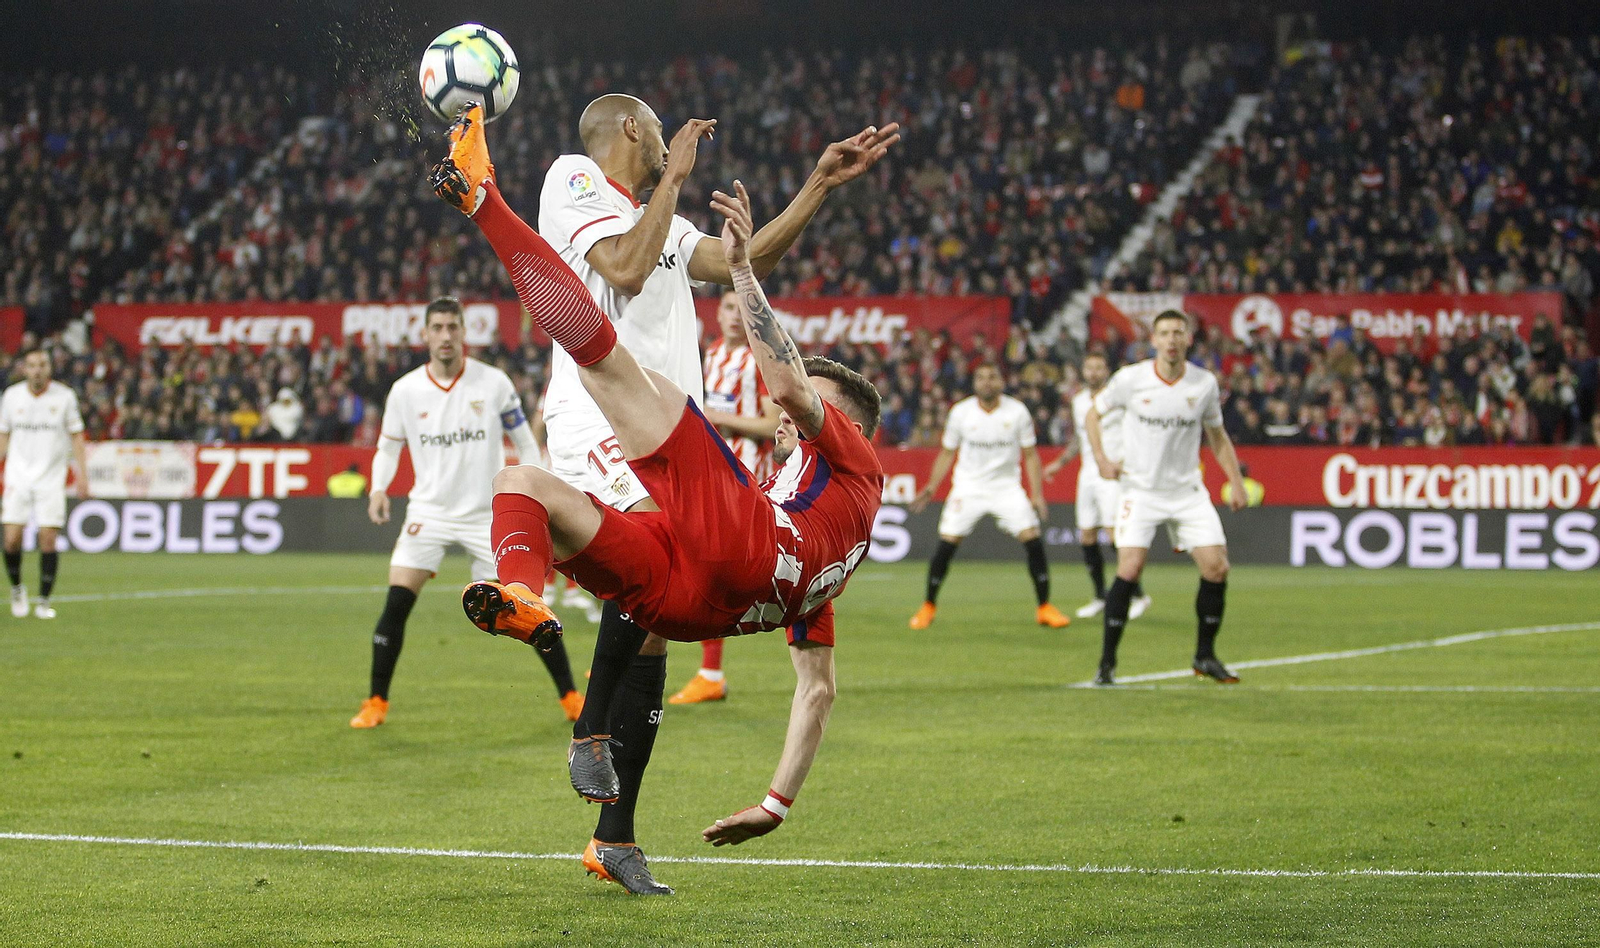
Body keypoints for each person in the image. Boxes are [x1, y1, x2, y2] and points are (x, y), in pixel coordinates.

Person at [430, 105, 885, 894]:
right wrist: (775, 185)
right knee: (595, 387)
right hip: (621, 438)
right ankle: (588, 736)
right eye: (660, 130)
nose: (791, 412)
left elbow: (745, 261)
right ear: (633, 132)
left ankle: (602, 784)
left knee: (626, 606)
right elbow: (625, 270)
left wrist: (799, 192)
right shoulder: (573, 182)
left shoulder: (662, 217)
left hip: (714, 519)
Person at [348, 297, 582, 729]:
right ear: (425, 335)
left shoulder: (492, 383)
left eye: (452, 327)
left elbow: (524, 438)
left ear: (463, 333)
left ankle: (571, 696)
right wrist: (379, 488)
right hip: (429, 511)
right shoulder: (405, 390)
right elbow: (388, 446)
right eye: (436, 328)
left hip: (485, 515)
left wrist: (539, 485)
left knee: (529, 605)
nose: (445, 336)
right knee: (396, 602)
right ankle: (376, 702)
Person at [1084, 310, 1248, 686]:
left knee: (1216, 567)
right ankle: (1106, 664)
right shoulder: (1131, 380)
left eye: (1178, 332)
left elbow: (1217, 436)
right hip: (1140, 490)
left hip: (1186, 491)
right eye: (1164, 333)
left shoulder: (1203, 384)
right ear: (1153, 340)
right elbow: (1093, 416)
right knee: (1129, 568)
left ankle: (1204, 656)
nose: (1171, 339)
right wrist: (1102, 459)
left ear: (1188, 339)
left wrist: (1235, 482)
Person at [670, 290, 785, 706]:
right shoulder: (712, 354)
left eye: (743, 308)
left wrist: (714, 417)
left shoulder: (763, 359)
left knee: (710, 565)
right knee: (688, 556)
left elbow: (773, 425)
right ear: (716, 313)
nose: (735, 316)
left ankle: (709, 672)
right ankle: (642, 652)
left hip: (747, 474)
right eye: (728, 308)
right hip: (711, 470)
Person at [906, 362, 1069, 630]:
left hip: (1006, 487)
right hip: (969, 487)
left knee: (1032, 537)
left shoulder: (1017, 412)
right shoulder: (961, 413)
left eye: (992, 377)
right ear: (975, 383)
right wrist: (931, 486)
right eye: (981, 377)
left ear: (1001, 382)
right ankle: (928, 606)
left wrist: (1037, 494)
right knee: (948, 542)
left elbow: (1030, 455)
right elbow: (947, 452)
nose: (987, 382)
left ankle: (1045, 607)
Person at [1043, 352, 1150, 620]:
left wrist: (1129, 458)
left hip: (1114, 473)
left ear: (1107, 371)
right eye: (1089, 368)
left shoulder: (1119, 399)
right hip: (1088, 474)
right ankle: (1100, 595)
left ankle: (1138, 595)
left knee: (1115, 535)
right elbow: (1081, 438)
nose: (1093, 373)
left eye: (1098, 368)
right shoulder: (1079, 401)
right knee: (1087, 535)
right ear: (1082, 371)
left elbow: (1138, 430)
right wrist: (1059, 463)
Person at [1, 348, 88, 619]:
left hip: (51, 477)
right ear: (24, 369)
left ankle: (43, 602)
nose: (37, 370)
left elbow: (76, 436)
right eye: (32, 365)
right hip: (18, 476)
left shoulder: (64, 397)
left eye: (42, 365)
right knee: (12, 540)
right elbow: (4, 435)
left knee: (48, 539)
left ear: (49, 368)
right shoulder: (12, 396)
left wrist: (83, 474)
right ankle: (17, 590)